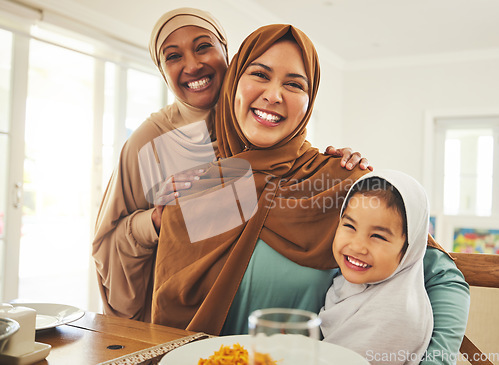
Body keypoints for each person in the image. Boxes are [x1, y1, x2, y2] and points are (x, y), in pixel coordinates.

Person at [151, 23, 469, 365]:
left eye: (294, 84)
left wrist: (435, 363)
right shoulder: (194, 189)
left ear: (310, 99)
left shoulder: (339, 182)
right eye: (260, 74)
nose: (274, 95)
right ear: (234, 84)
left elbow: (443, 276)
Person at [92, 8, 368, 323]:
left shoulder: (320, 171)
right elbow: (109, 243)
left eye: (202, 47)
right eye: (172, 56)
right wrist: (159, 219)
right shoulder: (151, 144)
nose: (193, 65)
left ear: (227, 54)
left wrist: (336, 172)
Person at [319, 170, 433, 364]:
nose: (357, 246)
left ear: (409, 248)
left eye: (378, 236)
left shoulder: (395, 315)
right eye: (349, 226)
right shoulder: (344, 285)